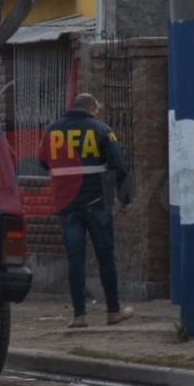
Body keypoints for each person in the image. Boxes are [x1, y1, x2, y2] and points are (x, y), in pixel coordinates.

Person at [40, 92, 134, 328]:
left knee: (75, 258)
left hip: (67, 203)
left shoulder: (52, 131)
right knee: (105, 255)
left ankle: (79, 315)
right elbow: (118, 166)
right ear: (92, 108)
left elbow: (43, 161)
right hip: (97, 201)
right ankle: (113, 311)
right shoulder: (102, 130)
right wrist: (126, 199)